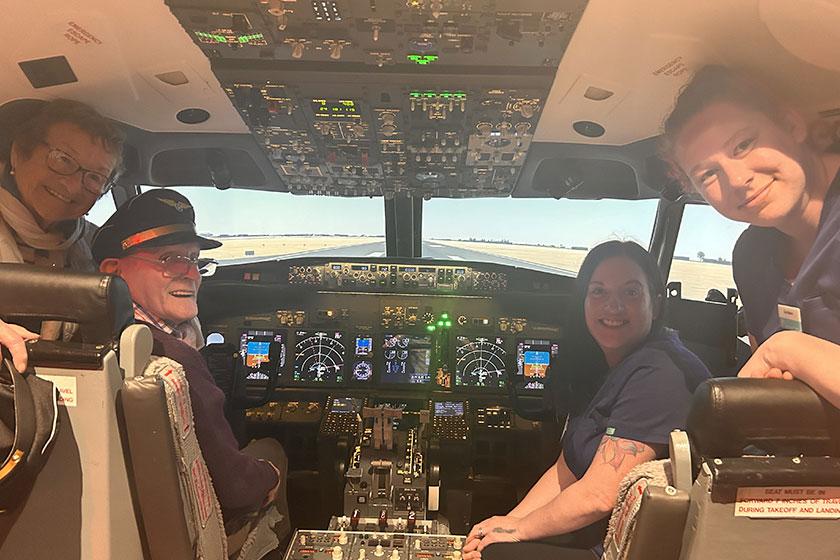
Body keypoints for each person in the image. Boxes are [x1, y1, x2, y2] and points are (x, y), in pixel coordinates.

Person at [463, 241, 710, 560]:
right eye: (599, 292)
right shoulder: (612, 366)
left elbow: (598, 495)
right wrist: (509, 523)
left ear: (657, 303)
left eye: (631, 292)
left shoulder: (662, 373)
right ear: (584, 301)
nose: (613, 307)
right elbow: (567, 467)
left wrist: (516, 533)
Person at [90, 189, 290, 547]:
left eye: (194, 260)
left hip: (126, 528)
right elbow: (236, 488)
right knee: (273, 452)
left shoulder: (88, 335)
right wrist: (268, 477)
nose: (191, 274)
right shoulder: (173, 357)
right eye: (169, 259)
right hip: (196, 532)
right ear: (112, 271)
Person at [661, 65, 840, 404]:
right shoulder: (751, 256)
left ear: (791, 125)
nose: (736, 179)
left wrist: (787, 350)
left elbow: (775, 353)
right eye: (708, 174)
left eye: (743, 144)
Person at [0, 98, 124, 372]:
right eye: (63, 159)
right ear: (19, 154)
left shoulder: (93, 244)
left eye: (94, 178)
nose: (71, 185)